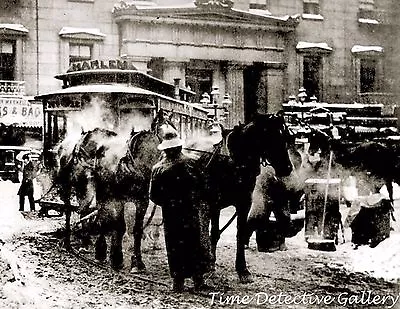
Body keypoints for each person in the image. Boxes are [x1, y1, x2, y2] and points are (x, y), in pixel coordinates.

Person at [149, 128, 212, 292]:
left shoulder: (157, 168)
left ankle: (178, 282)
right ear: (178, 147)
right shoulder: (192, 162)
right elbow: (204, 186)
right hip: (189, 210)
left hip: (171, 213)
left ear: (165, 149)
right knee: (194, 243)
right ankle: (198, 280)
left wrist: (169, 203)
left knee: (174, 245)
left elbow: (153, 196)